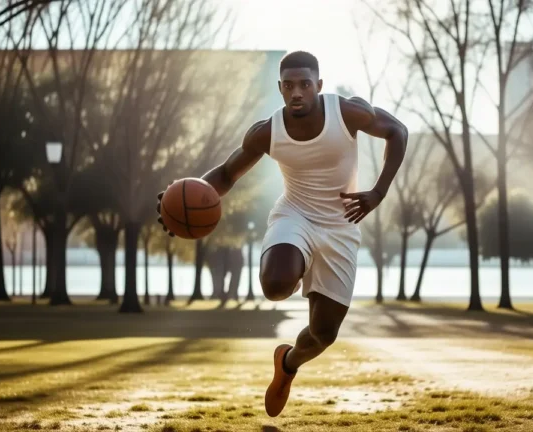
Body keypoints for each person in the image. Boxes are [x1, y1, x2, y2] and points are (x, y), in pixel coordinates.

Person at [156, 51, 407, 417]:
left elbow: (397, 131)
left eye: (305, 84)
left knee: (323, 335)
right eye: (288, 86)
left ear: (319, 86)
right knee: (275, 285)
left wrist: (378, 192)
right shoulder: (267, 132)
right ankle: (294, 262)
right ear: (280, 88)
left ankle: (287, 364)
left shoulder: (348, 112)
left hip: (342, 227)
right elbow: (226, 175)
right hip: (295, 215)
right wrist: (180, 197)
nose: (297, 93)